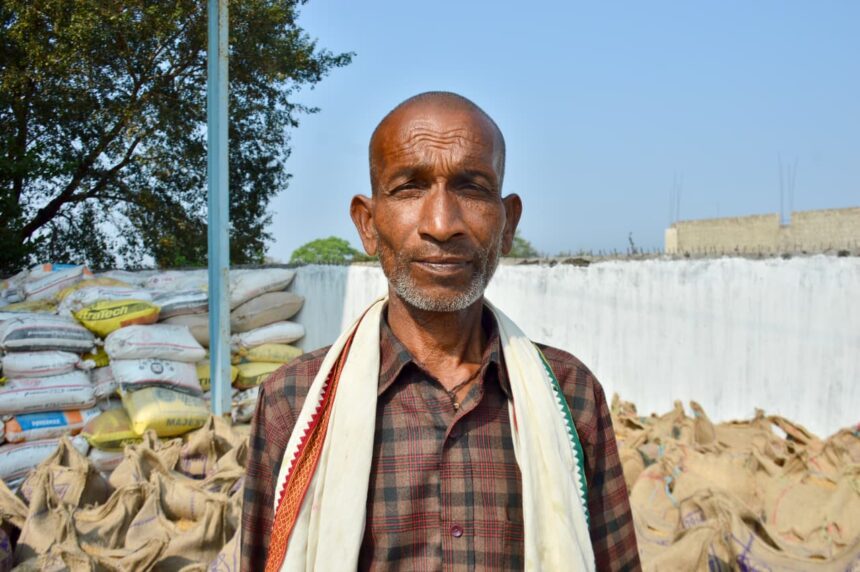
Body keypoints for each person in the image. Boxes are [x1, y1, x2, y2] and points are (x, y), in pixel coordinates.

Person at [241, 91, 640, 571]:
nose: (441, 223)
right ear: (368, 225)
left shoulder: (570, 395)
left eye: (471, 188)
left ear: (507, 224)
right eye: (410, 188)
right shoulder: (295, 402)